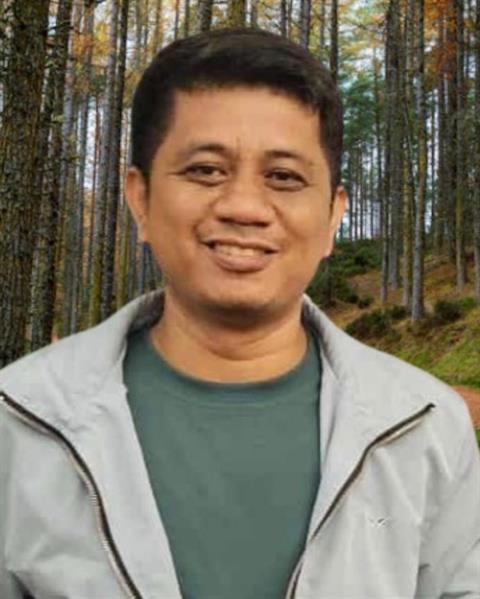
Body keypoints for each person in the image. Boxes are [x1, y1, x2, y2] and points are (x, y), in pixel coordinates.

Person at [0, 27, 479, 599]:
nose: (245, 208)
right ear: (140, 198)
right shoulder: (20, 421)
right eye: (205, 170)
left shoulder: (425, 427)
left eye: (284, 177)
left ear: (333, 215)